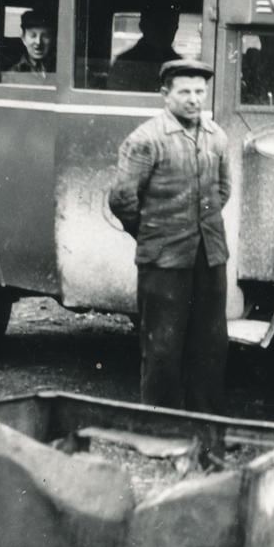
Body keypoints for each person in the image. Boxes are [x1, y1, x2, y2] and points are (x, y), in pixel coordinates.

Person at [108, 58, 231, 414]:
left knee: (210, 343)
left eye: (199, 91)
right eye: (185, 92)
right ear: (165, 94)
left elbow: (223, 190)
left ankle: (204, 421)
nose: (194, 99)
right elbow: (121, 199)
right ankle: (160, 424)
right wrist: (151, 234)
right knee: (162, 346)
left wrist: (199, 226)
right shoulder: (145, 140)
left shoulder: (216, 136)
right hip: (163, 260)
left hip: (210, 257)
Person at [107, 2, 183, 92]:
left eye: (170, 24)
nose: (164, 30)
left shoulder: (181, 66)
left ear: (176, 27)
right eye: (158, 24)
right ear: (143, 25)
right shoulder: (125, 63)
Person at [5, 8, 55, 75]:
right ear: (23, 38)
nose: (38, 42)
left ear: (54, 39)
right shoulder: (14, 73)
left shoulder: (61, 69)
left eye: (45, 36)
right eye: (32, 36)